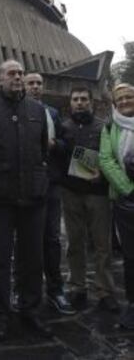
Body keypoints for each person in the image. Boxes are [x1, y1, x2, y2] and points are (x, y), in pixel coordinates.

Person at [0, 60, 51, 342]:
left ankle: (30, 310)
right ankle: (0, 314)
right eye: (12, 73)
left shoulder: (37, 109)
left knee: (32, 258)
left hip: (33, 197)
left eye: (21, 73)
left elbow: (43, 149)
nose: (18, 77)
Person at [61, 86, 118, 312]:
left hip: (98, 194)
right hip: (71, 192)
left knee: (102, 244)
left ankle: (105, 291)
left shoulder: (104, 126)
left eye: (84, 99)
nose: (80, 103)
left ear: (91, 102)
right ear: (70, 103)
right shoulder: (63, 127)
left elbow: (112, 157)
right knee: (75, 242)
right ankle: (77, 287)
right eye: (76, 99)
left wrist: (102, 175)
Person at [24, 72, 75, 315]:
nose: (35, 87)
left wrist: (56, 145)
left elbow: (67, 145)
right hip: (25, 184)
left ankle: (56, 289)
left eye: (38, 84)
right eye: (30, 83)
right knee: (23, 239)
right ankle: (22, 288)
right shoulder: (17, 111)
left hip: (51, 184)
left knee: (52, 239)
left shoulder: (52, 113)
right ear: (24, 86)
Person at [99, 83, 134, 329]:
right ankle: (133, 304)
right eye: (119, 98)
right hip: (126, 200)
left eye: (129, 96)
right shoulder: (110, 125)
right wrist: (129, 189)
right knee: (131, 256)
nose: (124, 101)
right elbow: (106, 159)